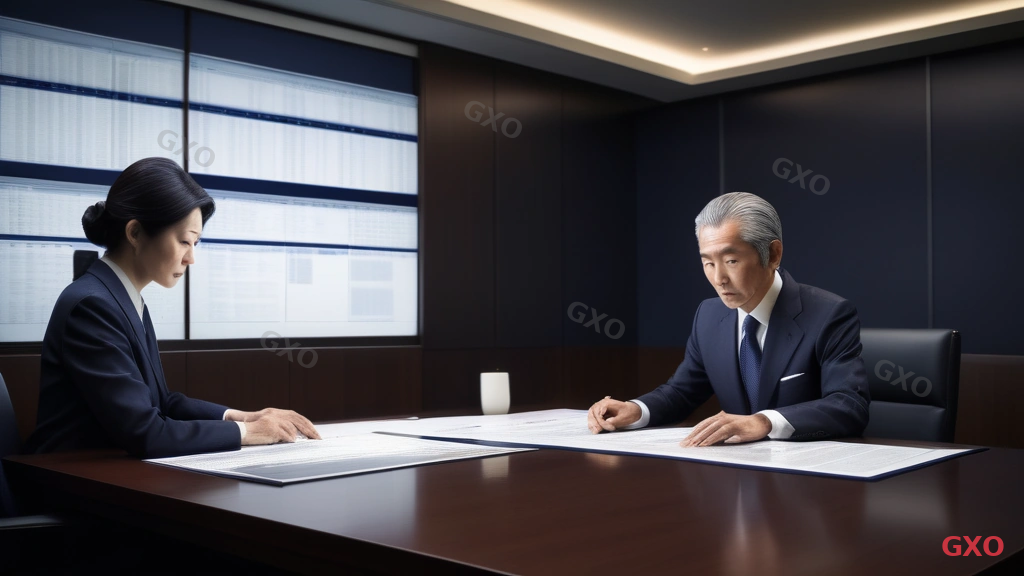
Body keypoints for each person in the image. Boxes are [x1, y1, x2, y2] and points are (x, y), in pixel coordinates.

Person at [24, 157, 321, 459]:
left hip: (107, 474)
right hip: (70, 480)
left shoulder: (122, 297)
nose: (191, 258)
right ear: (135, 233)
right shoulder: (93, 306)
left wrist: (243, 417)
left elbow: (162, 402)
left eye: (195, 244)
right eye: (184, 241)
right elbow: (146, 432)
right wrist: (249, 434)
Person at [588, 192, 869, 445]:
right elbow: (682, 393)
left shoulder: (829, 314)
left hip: (811, 480)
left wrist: (763, 421)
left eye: (731, 261)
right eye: (708, 263)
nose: (719, 279)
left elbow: (848, 405)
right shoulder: (708, 315)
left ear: (773, 254)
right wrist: (636, 410)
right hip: (736, 475)